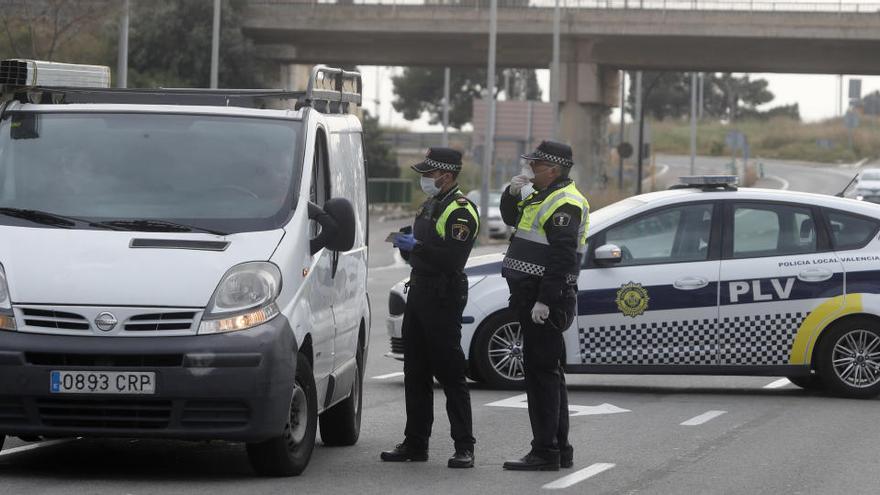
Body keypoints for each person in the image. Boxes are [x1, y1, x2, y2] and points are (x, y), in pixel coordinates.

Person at [380, 147, 480, 469]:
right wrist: (407, 245)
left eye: (429, 174)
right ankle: (415, 443)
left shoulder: (461, 210)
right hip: (420, 292)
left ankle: (464, 446)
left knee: (450, 373)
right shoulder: (430, 205)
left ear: (446, 176)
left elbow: (452, 257)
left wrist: (418, 246)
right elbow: (423, 252)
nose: (424, 179)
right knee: (416, 372)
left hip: (442, 295)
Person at [499, 140, 590, 472]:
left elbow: (562, 258)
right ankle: (559, 448)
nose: (530, 169)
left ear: (553, 169)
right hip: (530, 295)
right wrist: (511, 192)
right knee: (548, 375)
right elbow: (512, 218)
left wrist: (544, 301)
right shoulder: (543, 196)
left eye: (535, 165)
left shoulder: (565, 202)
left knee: (542, 378)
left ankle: (545, 451)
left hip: (545, 299)